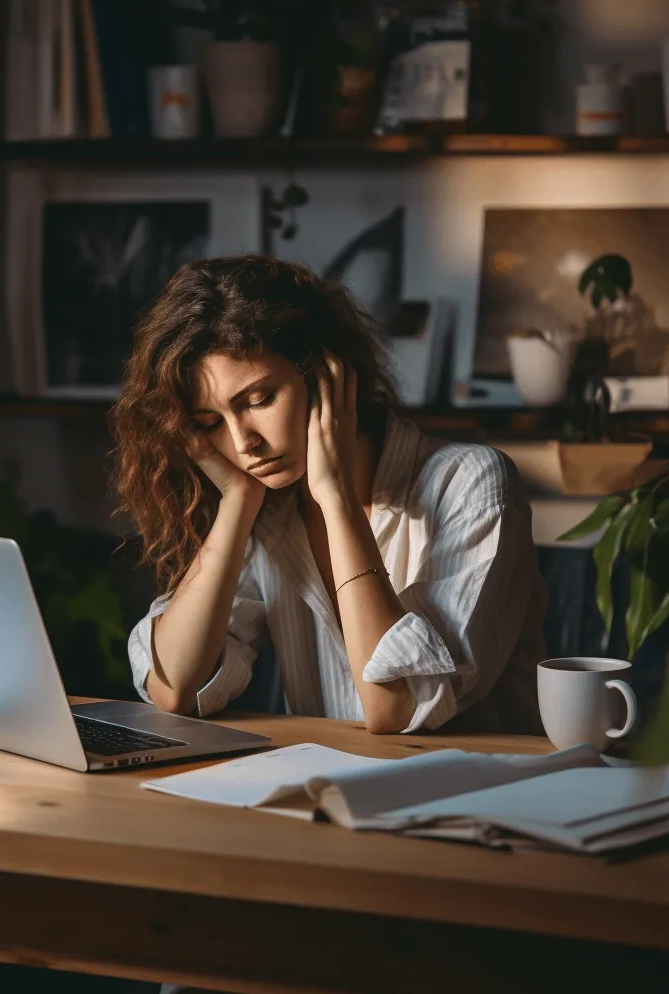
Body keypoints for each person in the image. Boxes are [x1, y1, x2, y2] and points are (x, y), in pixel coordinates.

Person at [112, 255, 545, 735]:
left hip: (481, 795)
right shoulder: (268, 509)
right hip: (329, 793)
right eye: (210, 423)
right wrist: (236, 502)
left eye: (258, 401)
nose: (242, 444)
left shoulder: (471, 483)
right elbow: (174, 689)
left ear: (326, 376)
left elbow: (395, 709)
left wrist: (336, 499)